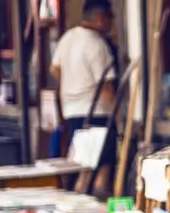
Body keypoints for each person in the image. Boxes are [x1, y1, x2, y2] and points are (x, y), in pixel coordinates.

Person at [51, 0, 118, 198]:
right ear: (100, 18)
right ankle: (98, 206)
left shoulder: (67, 38)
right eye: (110, 19)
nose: (111, 24)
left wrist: (71, 83)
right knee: (102, 165)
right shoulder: (97, 44)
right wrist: (118, 118)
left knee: (83, 165)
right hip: (97, 112)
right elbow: (105, 86)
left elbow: (54, 69)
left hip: (71, 111)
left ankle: (78, 203)